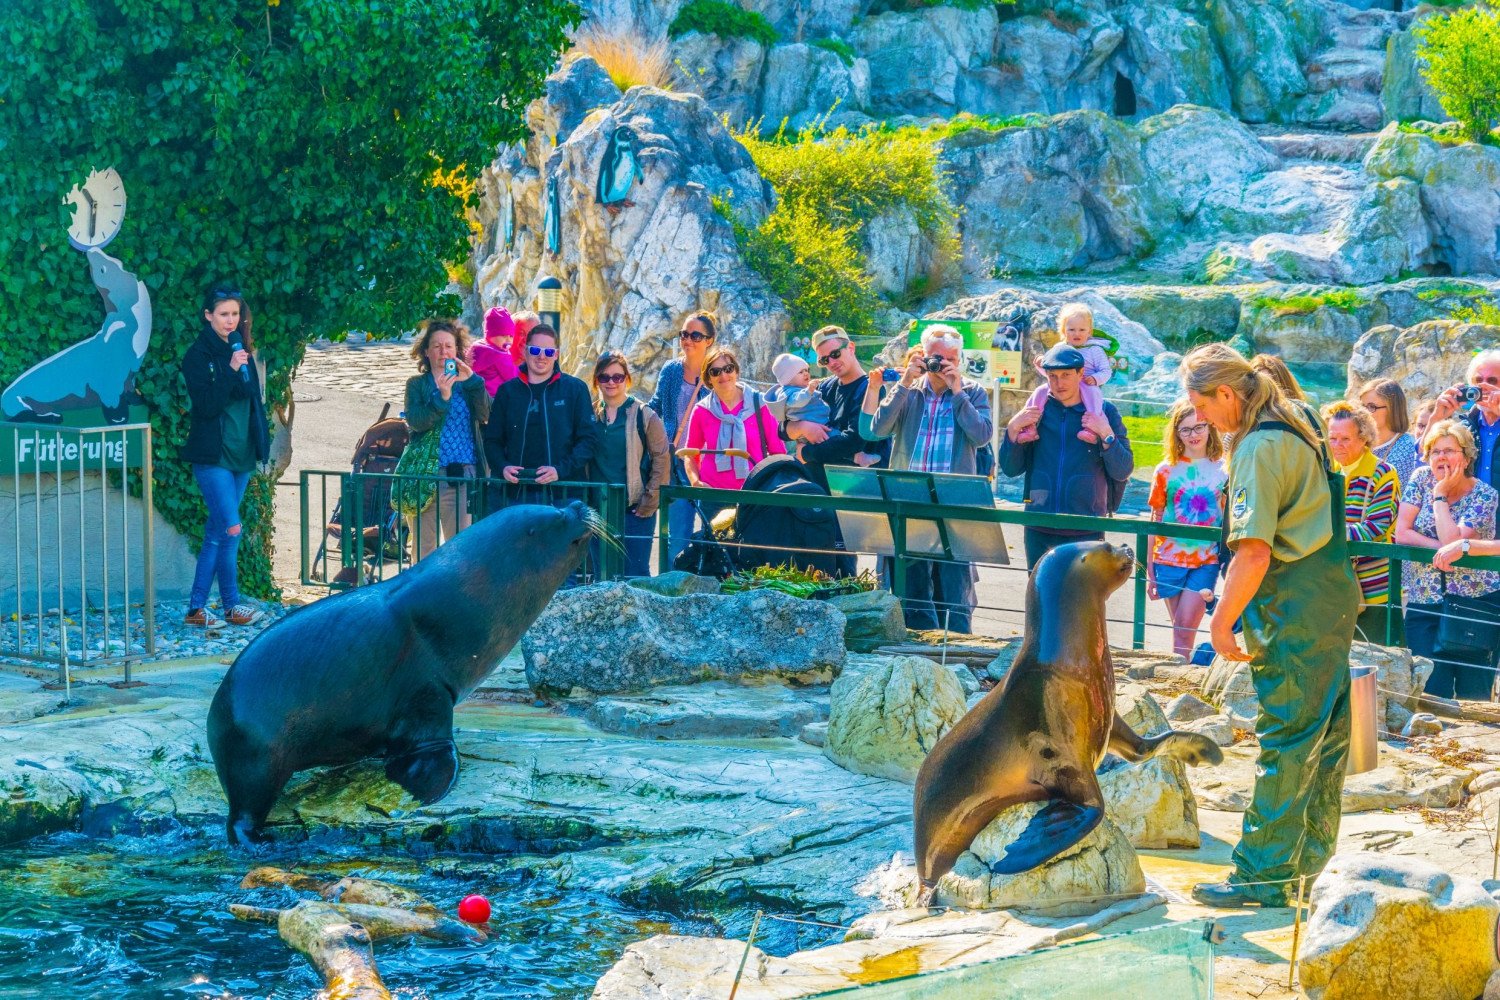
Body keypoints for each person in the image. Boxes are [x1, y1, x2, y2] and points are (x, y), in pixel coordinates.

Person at [1183, 343, 1360, 909]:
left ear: (1228, 394)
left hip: (1292, 608)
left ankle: (1260, 876)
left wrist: (1220, 622)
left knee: (1285, 740)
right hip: (1332, 596)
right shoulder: (1300, 416)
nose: (1202, 420)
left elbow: (1254, 553)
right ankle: (1305, 868)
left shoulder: (1259, 446)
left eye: (1204, 407)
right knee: (1326, 740)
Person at [872, 324, 993, 632]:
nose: (943, 364)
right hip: (910, 498)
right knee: (911, 585)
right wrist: (905, 381)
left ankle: (957, 648)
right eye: (937, 357)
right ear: (923, 356)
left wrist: (957, 392)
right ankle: (916, 645)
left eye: (951, 358)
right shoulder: (908, 390)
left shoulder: (972, 391)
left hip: (952, 501)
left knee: (954, 585)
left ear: (960, 358)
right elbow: (879, 429)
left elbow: (981, 436)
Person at [180, 286, 271, 628]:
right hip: (213, 455)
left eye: (235, 314)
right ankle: (226, 604)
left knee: (218, 532)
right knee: (231, 529)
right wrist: (231, 369)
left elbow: (252, 404)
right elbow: (205, 406)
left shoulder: (241, 349)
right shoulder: (198, 356)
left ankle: (200, 609)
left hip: (241, 455)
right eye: (223, 314)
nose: (230, 321)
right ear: (208, 316)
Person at [999, 342, 1134, 570]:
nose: (1059, 383)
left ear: (1081, 373)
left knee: (1084, 602)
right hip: (1039, 525)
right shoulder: (1037, 410)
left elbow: (1123, 469)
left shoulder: (1104, 410)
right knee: (1042, 600)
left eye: (1066, 375)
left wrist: (1106, 433)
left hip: (1086, 525)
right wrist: (1012, 431)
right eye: (1052, 376)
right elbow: (1011, 469)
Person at [1394, 419, 1499, 700]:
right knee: (1429, 687)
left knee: (1472, 691)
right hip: (1424, 598)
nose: (1441, 457)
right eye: (1435, 451)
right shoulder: (1419, 479)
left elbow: (1457, 540)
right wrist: (1441, 548)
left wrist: (1439, 497)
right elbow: (1402, 532)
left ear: (1465, 458)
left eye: (1449, 450)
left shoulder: (1484, 494)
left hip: (1474, 603)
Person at [403, 319, 490, 559]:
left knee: (462, 549)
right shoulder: (417, 385)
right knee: (424, 549)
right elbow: (417, 421)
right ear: (427, 352)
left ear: (457, 351)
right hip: (425, 476)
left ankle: (459, 597)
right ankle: (422, 596)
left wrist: (473, 381)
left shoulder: (467, 384)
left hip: (462, 475)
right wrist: (441, 397)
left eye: (449, 346)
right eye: (437, 346)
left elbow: (486, 415)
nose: (444, 352)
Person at [1146, 401, 1227, 660]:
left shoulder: (1224, 469)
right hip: (1168, 558)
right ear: (1176, 434)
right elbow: (1154, 519)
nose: (1194, 435)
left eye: (1199, 427)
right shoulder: (1165, 470)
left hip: (1205, 559)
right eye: (1186, 430)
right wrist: (1149, 568)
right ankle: (1181, 672)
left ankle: (1181, 674)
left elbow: (1227, 517)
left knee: (1184, 626)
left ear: (1209, 427)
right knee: (1180, 628)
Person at [483, 324, 596, 505]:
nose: (542, 356)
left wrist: (560, 470)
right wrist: (502, 466)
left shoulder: (575, 389)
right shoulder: (507, 392)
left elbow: (588, 440)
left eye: (549, 352)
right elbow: (492, 440)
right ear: (526, 352)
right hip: (514, 494)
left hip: (564, 493)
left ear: (556, 354)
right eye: (535, 350)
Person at [1322, 400, 1400, 644]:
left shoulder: (1383, 473)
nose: (1337, 446)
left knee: (1376, 663)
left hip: (1374, 588)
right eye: (1332, 439)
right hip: (1331, 584)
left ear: (1364, 437)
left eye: (1345, 439)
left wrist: (1326, 534)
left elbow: (1375, 527)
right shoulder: (1324, 471)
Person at [589, 352, 670, 578]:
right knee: (601, 575)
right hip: (598, 510)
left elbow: (662, 459)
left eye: (617, 376)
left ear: (627, 379)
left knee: (636, 575)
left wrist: (649, 501)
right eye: (604, 377)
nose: (611, 382)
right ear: (596, 381)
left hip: (634, 509)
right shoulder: (590, 415)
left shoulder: (645, 415)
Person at [646, 311, 715, 561]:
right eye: (684, 334)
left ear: (709, 340)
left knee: (715, 529)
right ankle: (674, 587)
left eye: (696, 335)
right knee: (678, 536)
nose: (688, 340)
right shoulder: (672, 369)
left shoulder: (717, 371)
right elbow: (657, 406)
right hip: (675, 460)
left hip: (708, 461)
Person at [681, 345, 785, 509]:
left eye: (728, 369)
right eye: (715, 372)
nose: (723, 375)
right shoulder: (702, 410)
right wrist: (696, 482)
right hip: (713, 496)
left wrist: (770, 487)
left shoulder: (760, 404)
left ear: (736, 371)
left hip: (754, 494)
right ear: (709, 379)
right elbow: (690, 453)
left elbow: (778, 452)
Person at [788, 325, 889, 485]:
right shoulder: (823, 387)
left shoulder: (872, 388)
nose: (832, 362)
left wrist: (806, 452)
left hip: (858, 487)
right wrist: (803, 427)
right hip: (820, 485)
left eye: (835, 354)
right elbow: (783, 428)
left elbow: (853, 441)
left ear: (851, 347)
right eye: (824, 360)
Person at [1016, 304, 1111, 443]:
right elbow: (1051, 373)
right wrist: (1041, 364)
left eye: (1082, 330)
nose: (1076, 333)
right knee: (1039, 391)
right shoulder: (1059, 348)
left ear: (1089, 331)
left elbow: (1106, 371)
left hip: (1085, 383)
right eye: (1071, 329)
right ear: (1063, 330)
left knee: (1094, 395)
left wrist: (1095, 379)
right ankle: (1029, 426)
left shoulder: (1095, 350)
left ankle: (1091, 429)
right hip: (1060, 383)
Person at [1429, 350, 1500, 505]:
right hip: (1470, 520)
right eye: (1478, 380)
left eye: (1492, 381)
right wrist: (1437, 417)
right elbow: (1423, 456)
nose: (1484, 386)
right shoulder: (1463, 429)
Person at [1357, 377, 1419, 487]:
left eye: (1372, 407)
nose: (1363, 413)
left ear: (1392, 409)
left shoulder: (1405, 447)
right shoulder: (1357, 442)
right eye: (1362, 406)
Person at [765, 352, 832, 446]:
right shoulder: (788, 392)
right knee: (836, 438)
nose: (806, 374)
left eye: (806, 370)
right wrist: (809, 391)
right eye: (800, 372)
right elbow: (797, 400)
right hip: (818, 427)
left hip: (819, 424)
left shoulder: (799, 389)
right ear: (788, 378)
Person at [1251, 354, 1324, 438]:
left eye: (1270, 386)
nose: (1264, 393)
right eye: (1259, 386)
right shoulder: (1243, 424)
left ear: (1283, 386)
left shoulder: (1304, 416)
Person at [470, 306, 520, 396]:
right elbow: (513, 377)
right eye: (504, 335)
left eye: (511, 336)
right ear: (490, 334)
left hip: (476, 394)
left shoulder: (476, 347)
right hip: (495, 397)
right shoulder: (500, 355)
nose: (508, 340)